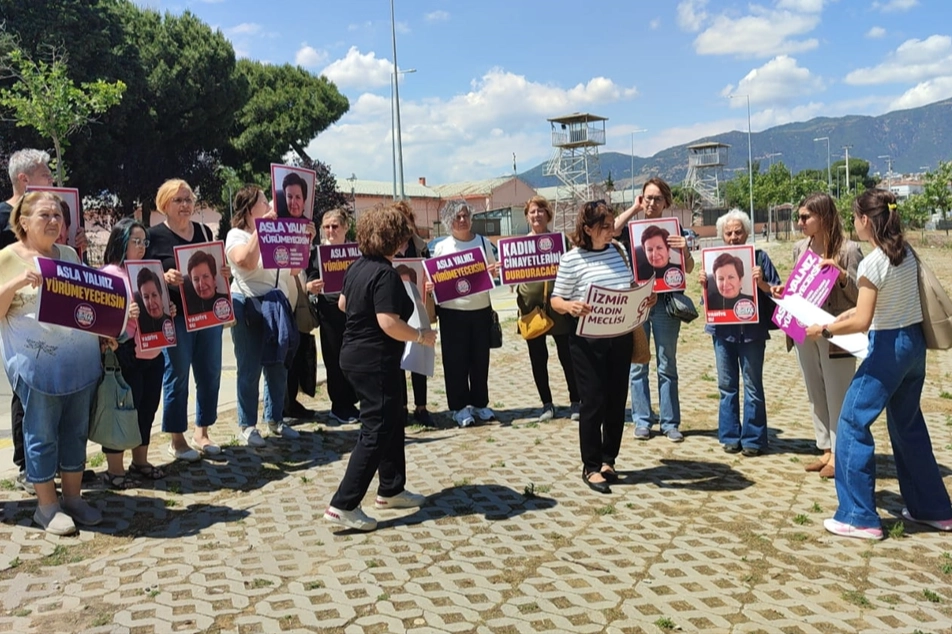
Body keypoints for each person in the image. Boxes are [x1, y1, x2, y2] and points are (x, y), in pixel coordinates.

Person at [805, 190, 952, 539]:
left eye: (855, 216)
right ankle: (933, 508)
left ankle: (859, 516)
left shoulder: (872, 263)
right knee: (907, 424)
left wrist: (824, 328)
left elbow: (862, 319)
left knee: (853, 423)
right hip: (913, 345)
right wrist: (840, 318)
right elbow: (871, 308)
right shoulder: (905, 253)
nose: (853, 222)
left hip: (887, 348)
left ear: (866, 221)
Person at [323, 202, 437, 531]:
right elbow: (388, 322)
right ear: (394, 239)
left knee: (393, 417)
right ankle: (343, 504)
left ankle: (391, 487)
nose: (405, 243)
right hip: (374, 360)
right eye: (402, 237)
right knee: (376, 428)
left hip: (356, 356)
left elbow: (344, 304)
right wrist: (421, 336)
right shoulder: (386, 274)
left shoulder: (357, 267)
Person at [0, 191, 103, 534]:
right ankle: (46, 506)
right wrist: (16, 283)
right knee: (41, 432)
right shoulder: (7, 258)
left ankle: (73, 499)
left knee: (75, 431)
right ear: (24, 221)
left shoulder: (69, 254)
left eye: (58, 216)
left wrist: (109, 327)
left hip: (77, 361)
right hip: (35, 365)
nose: (54, 222)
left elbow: (88, 299)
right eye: (45, 215)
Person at [551, 200, 643, 494]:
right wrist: (570, 305)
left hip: (620, 337)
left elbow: (629, 288)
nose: (610, 231)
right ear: (587, 229)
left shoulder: (619, 251)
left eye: (612, 224)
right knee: (593, 401)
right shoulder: (572, 259)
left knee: (617, 400)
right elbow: (556, 300)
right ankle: (590, 466)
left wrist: (643, 299)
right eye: (604, 227)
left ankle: (608, 459)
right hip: (587, 342)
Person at [772, 193, 862, 479]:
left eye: (804, 217)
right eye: (798, 217)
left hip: (836, 331)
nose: (799, 222)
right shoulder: (800, 248)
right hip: (803, 330)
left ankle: (841, 453)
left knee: (839, 393)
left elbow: (861, 296)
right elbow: (799, 286)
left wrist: (842, 275)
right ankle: (825, 449)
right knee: (816, 392)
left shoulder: (849, 250)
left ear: (822, 217)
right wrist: (781, 291)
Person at [146, 179, 227, 461]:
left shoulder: (204, 231)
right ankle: (177, 439)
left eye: (188, 199)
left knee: (210, 373)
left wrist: (223, 274)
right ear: (165, 204)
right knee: (177, 375)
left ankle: (202, 432)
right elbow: (143, 274)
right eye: (178, 200)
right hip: (177, 317)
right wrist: (163, 277)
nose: (185, 205)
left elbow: (215, 268)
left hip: (207, 316)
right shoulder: (153, 236)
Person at [226, 185, 309, 447]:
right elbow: (247, 262)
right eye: (265, 201)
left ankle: (275, 419)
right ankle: (247, 425)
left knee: (277, 365)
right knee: (249, 367)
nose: (272, 205)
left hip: (276, 304)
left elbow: (295, 269)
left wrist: (303, 239)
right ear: (251, 208)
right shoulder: (236, 235)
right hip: (248, 302)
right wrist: (261, 230)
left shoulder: (278, 232)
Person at [616, 178, 695, 442]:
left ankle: (670, 422)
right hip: (637, 302)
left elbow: (690, 268)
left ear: (666, 202)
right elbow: (613, 230)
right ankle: (642, 420)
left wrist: (684, 251)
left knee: (666, 364)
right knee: (638, 364)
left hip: (665, 304)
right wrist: (634, 209)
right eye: (648, 198)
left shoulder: (675, 230)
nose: (652, 203)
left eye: (657, 198)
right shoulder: (631, 228)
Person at [700, 210, 780, 456]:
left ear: (747, 233)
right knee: (726, 386)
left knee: (753, 386)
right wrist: (705, 286)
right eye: (728, 233)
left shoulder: (759, 258)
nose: (733, 237)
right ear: (722, 236)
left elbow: (778, 293)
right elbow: (708, 304)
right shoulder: (713, 262)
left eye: (738, 232)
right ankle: (730, 436)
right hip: (723, 333)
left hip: (752, 333)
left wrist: (763, 281)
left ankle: (754, 440)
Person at [99, 218, 169, 488]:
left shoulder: (149, 269)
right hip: (126, 352)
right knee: (122, 411)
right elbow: (99, 318)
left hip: (154, 351)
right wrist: (122, 315)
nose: (141, 247)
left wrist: (166, 311)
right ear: (121, 241)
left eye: (144, 242)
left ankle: (140, 461)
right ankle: (114, 470)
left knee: (147, 409)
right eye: (135, 241)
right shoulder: (110, 274)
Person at [2, 149, 55, 495]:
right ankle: (26, 467)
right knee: (25, 392)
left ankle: (52, 467)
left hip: (50, 320)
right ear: (25, 180)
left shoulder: (49, 217)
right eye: (46, 175)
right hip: (14, 319)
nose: (52, 180)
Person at [430, 200, 499, 427]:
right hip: (452, 313)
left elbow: (494, 271)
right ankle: (459, 408)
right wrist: (431, 285)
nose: (462, 220)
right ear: (450, 221)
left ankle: (480, 403)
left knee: (480, 360)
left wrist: (494, 269)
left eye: (465, 216)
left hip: (480, 310)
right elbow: (434, 278)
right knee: (455, 361)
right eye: (458, 217)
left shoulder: (482, 243)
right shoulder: (442, 247)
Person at [516, 195, 579, 422]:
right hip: (531, 310)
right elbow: (511, 277)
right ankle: (547, 404)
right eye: (532, 211)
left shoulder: (560, 241)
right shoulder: (518, 247)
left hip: (558, 307)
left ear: (548, 215)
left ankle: (576, 401)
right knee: (537, 358)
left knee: (567, 355)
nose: (536, 215)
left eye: (541, 211)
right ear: (527, 216)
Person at [303, 207, 360, 424]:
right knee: (334, 359)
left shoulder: (356, 251)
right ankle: (339, 405)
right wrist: (311, 286)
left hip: (354, 312)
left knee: (353, 358)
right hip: (329, 312)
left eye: (334, 226)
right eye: (326, 227)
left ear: (346, 227)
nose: (330, 231)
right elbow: (308, 278)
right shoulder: (316, 253)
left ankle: (352, 402)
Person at [393, 200, 436, 427]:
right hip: (394, 310)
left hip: (419, 308)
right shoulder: (386, 246)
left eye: (405, 221)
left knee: (420, 356)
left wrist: (430, 284)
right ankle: (401, 408)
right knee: (397, 359)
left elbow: (431, 273)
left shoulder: (421, 247)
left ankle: (421, 407)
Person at [182, 250, 230, 315]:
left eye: (205, 276)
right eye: (196, 279)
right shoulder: (186, 307)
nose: (201, 284)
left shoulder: (228, 301)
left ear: (214, 279)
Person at [136, 267, 172, 334]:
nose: (151, 302)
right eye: (146, 297)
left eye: (154, 295)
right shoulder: (139, 328)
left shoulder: (174, 321)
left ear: (160, 294)